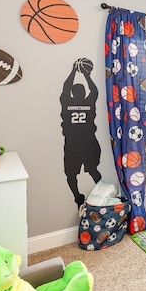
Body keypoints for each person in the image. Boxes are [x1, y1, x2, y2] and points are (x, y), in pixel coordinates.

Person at [60, 59, 102, 208]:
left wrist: (74, 71)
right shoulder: (88, 102)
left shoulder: (67, 102)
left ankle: (92, 195)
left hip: (80, 142)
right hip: (84, 141)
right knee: (88, 170)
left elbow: (66, 87)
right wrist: (85, 74)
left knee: (83, 171)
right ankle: (79, 197)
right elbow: (94, 90)